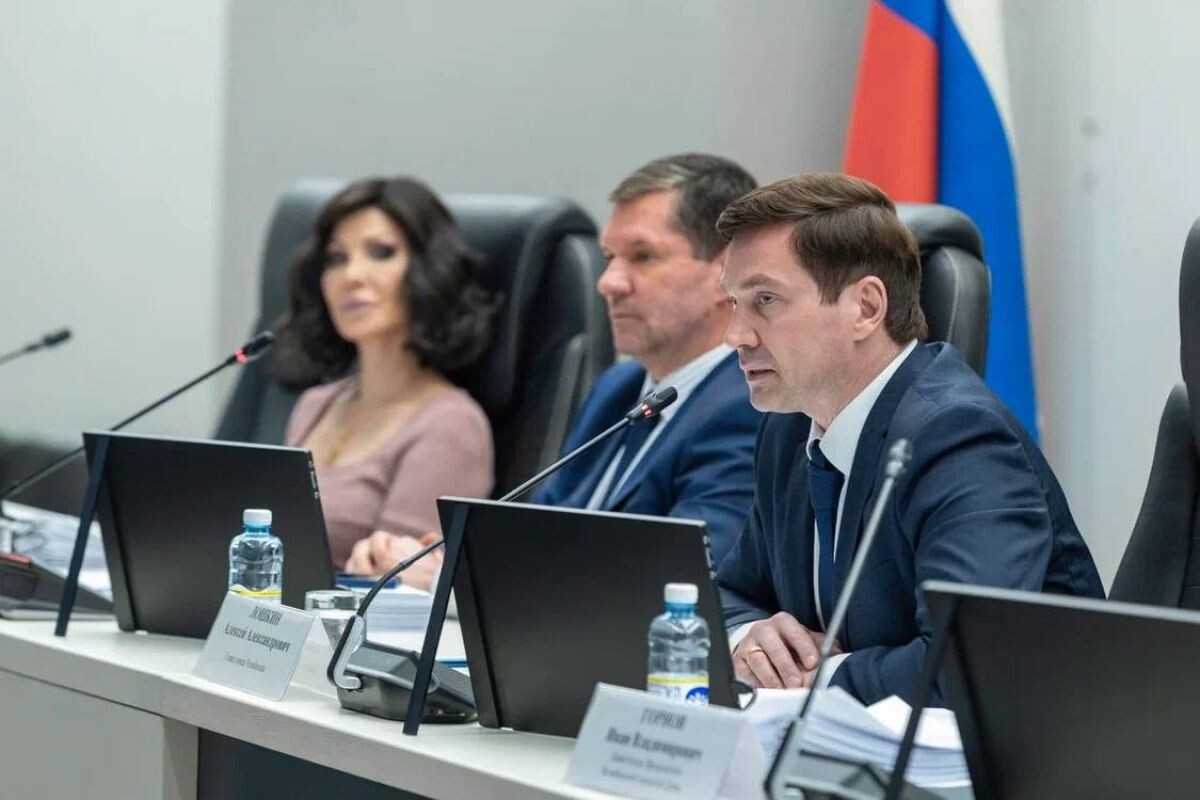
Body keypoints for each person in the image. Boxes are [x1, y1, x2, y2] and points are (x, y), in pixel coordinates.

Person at [715, 172, 1104, 704]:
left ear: (866, 308)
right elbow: (730, 590)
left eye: (765, 299)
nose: (735, 335)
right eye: (733, 303)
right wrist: (747, 639)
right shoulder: (788, 429)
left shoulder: (960, 438)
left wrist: (813, 681)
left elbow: (964, 663)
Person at [345, 153, 762, 581]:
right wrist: (443, 562)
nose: (608, 282)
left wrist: (459, 582)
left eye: (643, 256)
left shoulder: (749, 408)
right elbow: (538, 536)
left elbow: (680, 579)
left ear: (726, 273)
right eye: (610, 256)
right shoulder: (619, 389)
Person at [274, 177, 497, 585]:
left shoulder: (450, 425)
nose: (352, 275)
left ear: (430, 271)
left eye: (381, 253)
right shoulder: (314, 404)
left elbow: (396, 589)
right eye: (336, 258)